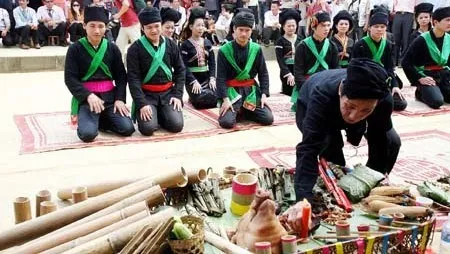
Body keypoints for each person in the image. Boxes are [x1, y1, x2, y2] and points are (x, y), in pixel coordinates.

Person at [294, 58, 401, 202]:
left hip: (342, 102)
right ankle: (332, 187)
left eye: (366, 110)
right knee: (330, 147)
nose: (354, 117)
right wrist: (303, 199)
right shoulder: (322, 96)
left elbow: (379, 140)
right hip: (311, 102)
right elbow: (308, 148)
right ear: (340, 91)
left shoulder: (383, 100)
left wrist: (372, 179)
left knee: (392, 142)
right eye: (350, 106)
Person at [65, 6, 135, 142]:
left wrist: (120, 99)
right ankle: (89, 119)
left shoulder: (112, 48)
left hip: (110, 98)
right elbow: (70, 79)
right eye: (92, 26)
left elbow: (121, 76)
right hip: (87, 99)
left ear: (106, 27)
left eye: (101, 26)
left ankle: (101, 119)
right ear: (84, 25)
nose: (97, 31)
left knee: (127, 129)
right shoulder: (75, 49)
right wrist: (88, 96)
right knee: (88, 135)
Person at [127, 7, 185, 136]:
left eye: (156, 26)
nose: (154, 30)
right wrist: (141, 104)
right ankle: (155, 113)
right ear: (142, 28)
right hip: (146, 95)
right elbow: (133, 79)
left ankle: (163, 113)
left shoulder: (171, 45)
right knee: (148, 129)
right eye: (149, 27)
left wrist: (177, 95)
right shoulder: (135, 49)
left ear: (160, 25)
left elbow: (181, 70)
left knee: (177, 126)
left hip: (168, 93)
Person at [216, 10, 274, 129]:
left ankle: (244, 110)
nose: (243, 34)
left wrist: (263, 95)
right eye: (240, 30)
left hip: (251, 91)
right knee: (226, 123)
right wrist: (225, 100)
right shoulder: (224, 51)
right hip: (232, 92)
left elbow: (263, 74)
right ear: (234, 30)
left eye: (247, 30)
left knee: (268, 119)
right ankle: (240, 109)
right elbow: (220, 78)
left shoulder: (256, 49)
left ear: (251, 31)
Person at [353, 8, 407, 111]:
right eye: (376, 26)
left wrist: (395, 86)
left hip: (383, 80)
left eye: (382, 27)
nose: (379, 29)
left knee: (401, 104)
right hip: (366, 81)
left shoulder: (388, 45)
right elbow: (356, 69)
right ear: (369, 28)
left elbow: (390, 68)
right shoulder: (360, 45)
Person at [402, 7, 450, 109]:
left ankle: (441, 90)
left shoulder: (449, 38)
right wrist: (419, 78)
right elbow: (406, 62)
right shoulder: (422, 39)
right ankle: (420, 92)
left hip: (444, 75)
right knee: (437, 101)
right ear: (436, 22)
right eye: (448, 20)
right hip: (427, 76)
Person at [292, 12, 339, 108]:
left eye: (328, 25)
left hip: (326, 83)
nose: (326, 29)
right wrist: (306, 88)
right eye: (323, 25)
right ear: (314, 27)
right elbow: (298, 73)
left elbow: (336, 69)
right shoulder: (303, 46)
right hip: (308, 83)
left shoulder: (332, 46)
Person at [180, 7, 218, 109]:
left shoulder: (207, 43)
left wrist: (212, 78)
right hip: (193, 80)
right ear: (191, 26)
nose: (201, 28)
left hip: (206, 78)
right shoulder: (185, 45)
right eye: (198, 25)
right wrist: (193, 81)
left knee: (219, 96)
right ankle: (193, 98)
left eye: (202, 25)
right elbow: (184, 66)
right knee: (201, 102)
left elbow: (212, 63)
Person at [275, 8, 302, 96]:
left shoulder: (301, 39)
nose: (291, 28)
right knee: (288, 93)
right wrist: (288, 74)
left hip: (299, 70)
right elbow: (280, 59)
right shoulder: (280, 41)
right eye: (289, 26)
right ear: (283, 27)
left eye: (293, 26)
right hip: (286, 70)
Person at [391, 0, 415, 66]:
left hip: (409, 15)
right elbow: (393, 3)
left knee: (406, 38)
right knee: (395, 38)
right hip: (397, 14)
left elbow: (417, 5)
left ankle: (402, 61)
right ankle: (394, 60)